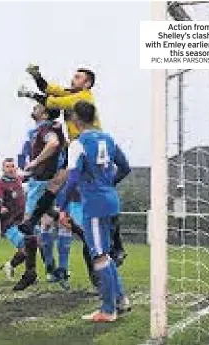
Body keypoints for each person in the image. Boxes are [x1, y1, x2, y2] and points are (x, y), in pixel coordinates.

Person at [18, 65, 127, 267]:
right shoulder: (72, 94)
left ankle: (117, 246)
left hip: (91, 146)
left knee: (99, 192)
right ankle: (32, 221)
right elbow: (50, 89)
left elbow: (52, 102)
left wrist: (30, 94)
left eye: (78, 77)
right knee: (57, 182)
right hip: (76, 146)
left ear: (87, 83)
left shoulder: (80, 99)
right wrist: (37, 76)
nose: (73, 79)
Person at [58, 101, 131, 322]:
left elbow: (72, 180)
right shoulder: (108, 139)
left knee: (98, 257)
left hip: (94, 205)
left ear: (76, 120)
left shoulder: (77, 144)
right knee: (105, 254)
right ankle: (121, 299)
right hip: (111, 201)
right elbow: (125, 167)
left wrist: (61, 207)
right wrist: (109, 184)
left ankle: (108, 310)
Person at [13, 104, 65, 291]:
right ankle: (50, 268)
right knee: (49, 220)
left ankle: (31, 272)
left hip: (44, 182)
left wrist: (34, 163)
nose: (32, 109)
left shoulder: (47, 128)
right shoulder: (38, 131)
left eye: (37, 107)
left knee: (29, 224)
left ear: (43, 113)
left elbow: (53, 144)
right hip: (40, 181)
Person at [0, 158, 27, 279]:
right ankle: (11, 265)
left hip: (22, 222)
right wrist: (1, 207)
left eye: (12, 166)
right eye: (7, 166)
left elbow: (31, 176)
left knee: (32, 246)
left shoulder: (18, 179)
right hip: (9, 224)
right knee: (26, 246)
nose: (10, 169)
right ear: (3, 169)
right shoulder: (0, 184)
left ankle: (13, 267)